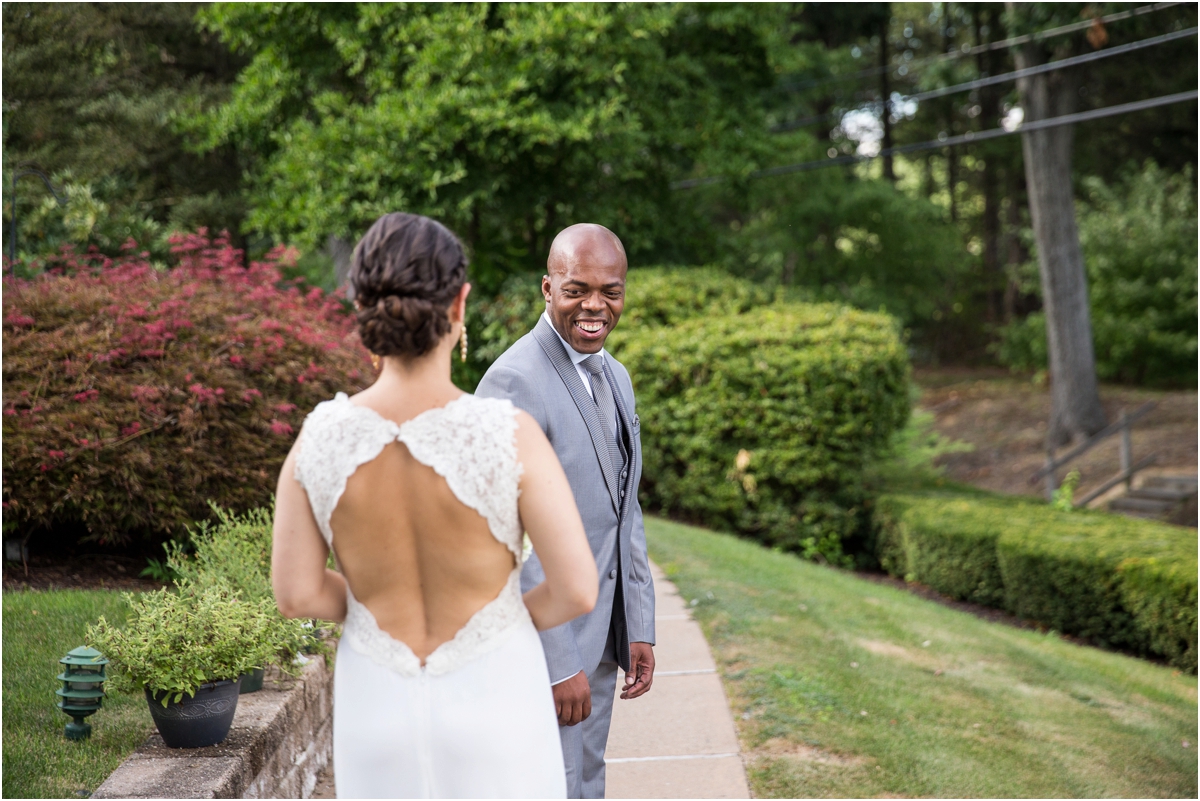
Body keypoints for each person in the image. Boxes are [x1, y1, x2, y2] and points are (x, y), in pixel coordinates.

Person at [271, 212, 599, 799]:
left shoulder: (319, 439)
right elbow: (576, 588)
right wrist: (495, 617)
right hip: (497, 697)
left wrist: (370, 605)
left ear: (364, 308)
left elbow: (296, 594)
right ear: (459, 303)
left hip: (377, 706)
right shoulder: (509, 434)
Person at [476, 223, 656, 799]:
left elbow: (624, 510)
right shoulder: (513, 381)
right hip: (548, 649)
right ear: (547, 288)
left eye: (611, 291)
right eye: (577, 289)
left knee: (585, 780)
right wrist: (558, 661)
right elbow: (506, 536)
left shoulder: (616, 376)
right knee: (546, 785)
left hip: (605, 634)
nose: (595, 306)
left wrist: (638, 624)